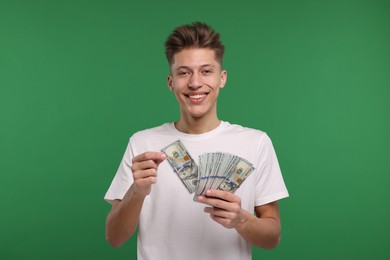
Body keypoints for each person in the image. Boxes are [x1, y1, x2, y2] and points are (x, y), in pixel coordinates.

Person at [104, 21, 289, 260]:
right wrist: (137, 192)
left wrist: (241, 219)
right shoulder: (143, 143)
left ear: (222, 78)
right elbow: (114, 238)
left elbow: (272, 238)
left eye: (206, 71)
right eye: (184, 72)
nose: (194, 83)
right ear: (171, 83)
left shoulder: (256, 143)